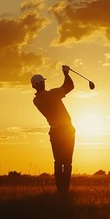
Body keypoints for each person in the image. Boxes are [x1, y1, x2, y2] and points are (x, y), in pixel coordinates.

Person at [31, 65, 75, 193]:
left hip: (54, 132)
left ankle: (60, 190)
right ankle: (64, 191)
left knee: (58, 162)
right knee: (67, 163)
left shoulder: (36, 101)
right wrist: (66, 73)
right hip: (66, 131)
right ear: (43, 83)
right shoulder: (52, 95)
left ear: (34, 86)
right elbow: (69, 86)